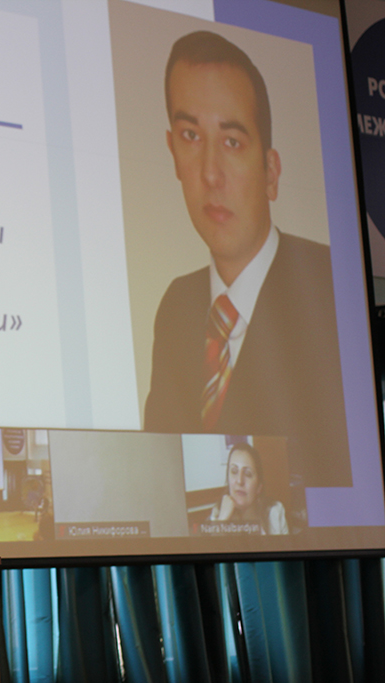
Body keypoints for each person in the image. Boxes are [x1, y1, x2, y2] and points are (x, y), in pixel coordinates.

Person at [143, 30, 349, 488]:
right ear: (172, 152)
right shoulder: (176, 306)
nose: (210, 173)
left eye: (232, 141)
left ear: (271, 171)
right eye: (191, 136)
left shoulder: (333, 290)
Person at [209, 443, 287, 535]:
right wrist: (222, 520)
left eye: (248, 474)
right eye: (234, 471)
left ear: (259, 487)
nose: (240, 481)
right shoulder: (218, 514)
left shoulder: (275, 512)